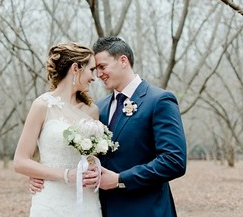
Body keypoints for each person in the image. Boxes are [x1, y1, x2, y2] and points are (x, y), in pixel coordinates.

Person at [29, 36, 187, 217]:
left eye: (102, 67)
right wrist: (44, 175)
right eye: (95, 69)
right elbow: (85, 156)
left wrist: (120, 180)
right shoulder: (99, 108)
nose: (98, 75)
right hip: (102, 208)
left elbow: (173, 161)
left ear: (123, 61)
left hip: (146, 209)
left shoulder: (159, 100)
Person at [13, 42, 102, 217]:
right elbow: (20, 161)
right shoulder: (42, 105)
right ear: (75, 68)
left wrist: (96, 171)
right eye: (91, 70)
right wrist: (66, 175)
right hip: (51, 201)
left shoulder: (92, 111)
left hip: (87, 201)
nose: (94, 77)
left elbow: (91, 158)